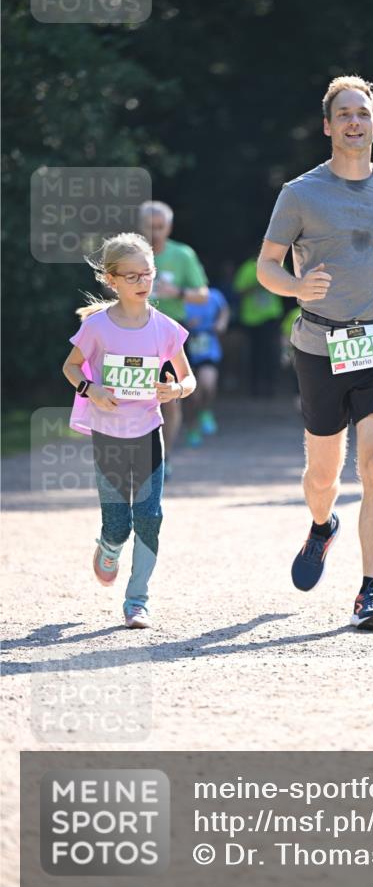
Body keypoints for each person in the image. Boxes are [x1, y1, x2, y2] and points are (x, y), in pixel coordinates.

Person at [257, 75, 373, 632]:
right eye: (344, 114)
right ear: (328, 126)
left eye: (363, 112)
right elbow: (267, 265)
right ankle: (321, 526)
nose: (354, 122)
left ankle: (371, 592)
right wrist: (295, 286)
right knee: (322, 475)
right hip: (320, 343)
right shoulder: (300, 193)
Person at [62, 232, 196, 629]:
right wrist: (92, 389)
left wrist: (174, 389)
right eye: (132, 276)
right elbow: (70, 367)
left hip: (148, 431)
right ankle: (108, 545)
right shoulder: (98, 327)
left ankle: (137, 601)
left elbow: (188, 380)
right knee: (119, 524)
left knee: (150, 517)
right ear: (111, 279)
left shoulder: (167, 328)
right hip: (108, 435)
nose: (142, 283)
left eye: (148, 274)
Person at [139, 200, 208, 477]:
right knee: (132, 398)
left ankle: (162, 459)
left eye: (160, 227)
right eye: (149, 227)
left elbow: (203, 295)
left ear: (169, 227)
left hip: (169, 334)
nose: (155, 233)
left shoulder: (182, 255)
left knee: (169, 399)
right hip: (133, 331)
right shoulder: (128, 252)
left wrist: (177, 293)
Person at [182, 287, 230, 446]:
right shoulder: (177, 295)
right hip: (184, 350)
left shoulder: (214, 295)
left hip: (208, 347)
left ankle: (206, 411)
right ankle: (192, 427)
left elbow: (224, 309)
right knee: (191, 397)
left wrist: (221, 323)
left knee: (208, 384)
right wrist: (184, 325)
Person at [233, 257, 283, 397]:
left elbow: (289, 285)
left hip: (271, 317)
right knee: (256, 354)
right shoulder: (247, 268)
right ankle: (255, 387)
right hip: (252, 319)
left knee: (271, 353)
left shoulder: (278, 265)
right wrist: (257, 285)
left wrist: (270, 284)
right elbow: (238, 291)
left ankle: (270, 386)